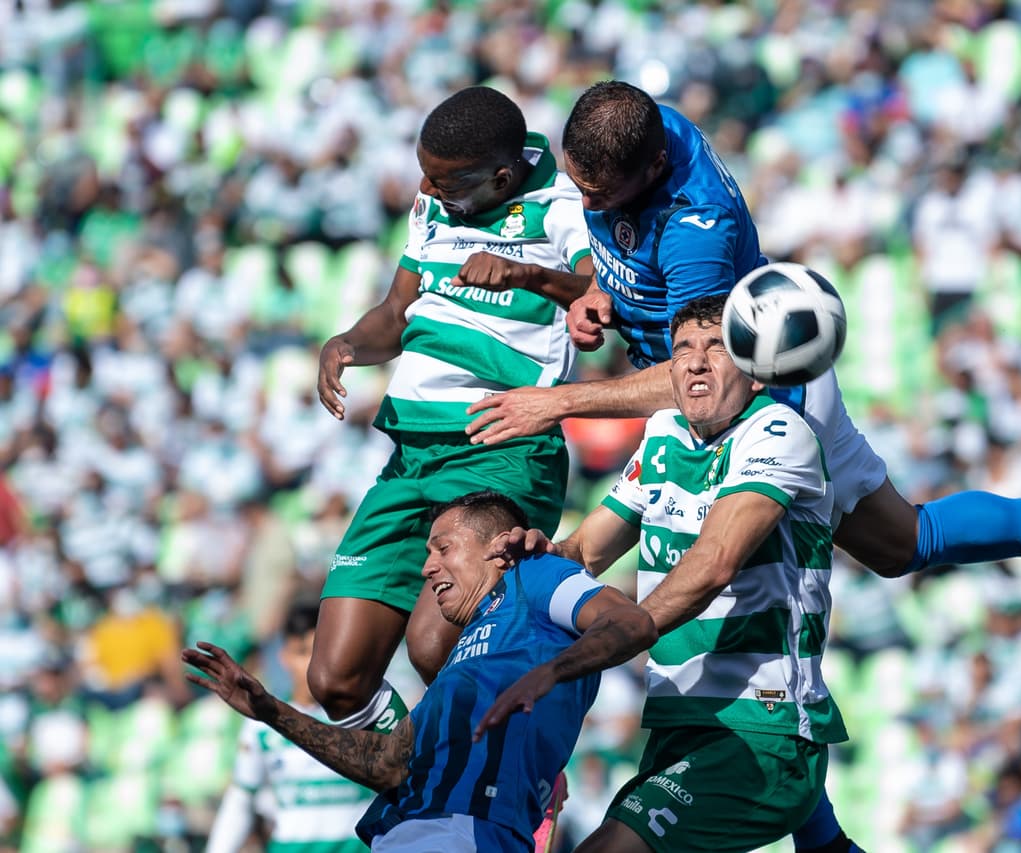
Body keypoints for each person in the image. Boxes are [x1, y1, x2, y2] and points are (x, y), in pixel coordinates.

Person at [465, 80, 1021, 853]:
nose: (584, 201)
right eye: (579, 183)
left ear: (649, 171)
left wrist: (559, 402)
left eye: (596, 191)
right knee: (903, 543)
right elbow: (635, 292)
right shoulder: (631, 130)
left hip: (760, 399)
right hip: (723, 394)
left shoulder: (697, 234)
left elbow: (700, 372)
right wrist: (562, 287)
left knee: (732, 581)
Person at [484, 297, 865, 852]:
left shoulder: (779, 432)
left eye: (716, 348)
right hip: (675, 724)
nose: (695, 362)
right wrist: (542, 552)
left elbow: (713, 566)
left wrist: (580, 657)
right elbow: (586, 551)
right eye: (682, 349)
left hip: (763, 729)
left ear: (756, 373)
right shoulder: (663, 432)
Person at [308, 86, 594, 738]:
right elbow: (395, 312)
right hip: (411, 454)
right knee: (336, 681)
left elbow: (601, 292)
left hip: (499, 446)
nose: (427, 189)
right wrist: (346, 343)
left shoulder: (560, 205)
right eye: (425, 174)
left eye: (445, 181)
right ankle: (416, 777)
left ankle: (520, 770)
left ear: (502, 178)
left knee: (434, 646)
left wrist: (524, 275)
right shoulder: (432, 205)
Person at [185, 492, 657, 853]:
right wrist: (270, 710)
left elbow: (631, 622)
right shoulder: (463, 654)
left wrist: (550, 672)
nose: (428, 568)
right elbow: (388, 764)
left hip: (466, 830)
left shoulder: (533, 577)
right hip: (405, 833)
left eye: (443, 548)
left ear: (497, 548)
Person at [206, 600, 375, 853]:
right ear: (284, 657)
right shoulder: (262, 725)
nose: (313, 664)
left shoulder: (368, 716)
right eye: (303, 652)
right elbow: (240, 800)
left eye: (322, 652)